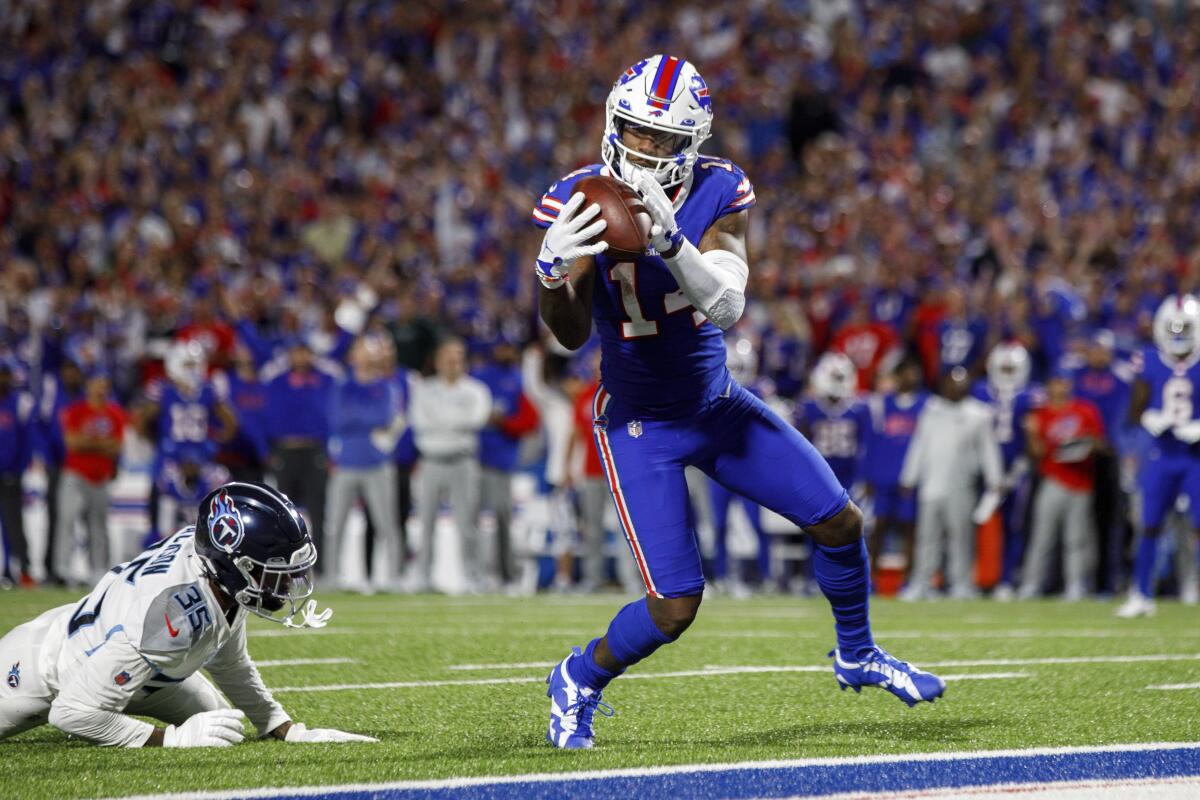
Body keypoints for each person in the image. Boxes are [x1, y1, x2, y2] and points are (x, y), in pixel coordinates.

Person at [532, 55, 944, 751]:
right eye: (633, 131)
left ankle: (857, 653)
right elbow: (570, 334)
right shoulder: (579, 196)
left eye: (662, 140)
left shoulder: (721, 187)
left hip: (717, 406)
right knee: (674, 607)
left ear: (692, 143)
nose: (643, 149)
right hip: (642, 424)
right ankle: (578, 676)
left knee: (842, 521)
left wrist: (670, 241)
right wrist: (549, 277)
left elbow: (725, 305)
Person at [0, 482, 376, 748]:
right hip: (42, 668)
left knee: (219, 725)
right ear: (234, 565)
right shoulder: (172, 615)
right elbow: (70, 713)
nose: (285, 586)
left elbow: (229, 660)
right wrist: (170, 740)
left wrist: (281, 726)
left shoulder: (217, 572)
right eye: (274, 572)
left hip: (141, 666)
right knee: (109, 715)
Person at [1118, 295, 1200, 618]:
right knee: (1149, 525)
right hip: (1161, 454)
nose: (1179, 334)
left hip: (1195, 456)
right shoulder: (1148, 358)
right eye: (1174, 328)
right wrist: (1151, 418)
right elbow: (1135, 408)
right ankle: (1141, 593)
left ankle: (1192, 587)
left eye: (1185, 328)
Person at [899, 367, 1004, 600]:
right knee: (927, 537)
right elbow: (920, 444)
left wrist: (994, 478)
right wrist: (909, 476)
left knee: (961, 537)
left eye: (960, 383)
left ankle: (961, 583)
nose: (955, 387)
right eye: (952, 383)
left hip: (961, 484)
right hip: (931, 483)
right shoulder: (931, 410)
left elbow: (988, 449)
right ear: (944, 384)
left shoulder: (979, 413)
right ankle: (921, 583)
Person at [409, 338, 492, 592]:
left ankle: (473, 576)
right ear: (437, 361)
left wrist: (442, 420)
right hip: (431, 462)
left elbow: (478, 419)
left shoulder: (475, 390)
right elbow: (420, 421)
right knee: (426, 523)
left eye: (457, 358)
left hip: (462, 461)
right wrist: (457, 422)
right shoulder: (423, 389)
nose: (452, 363)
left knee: (468, 523)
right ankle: (422, 576)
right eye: (447, 358)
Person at [324, 335, 405, 591]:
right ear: (353, 356)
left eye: (369, 350)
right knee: (335, 524)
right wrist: (366, 418)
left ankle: (393, 578)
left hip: (377, 464)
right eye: (360, 350)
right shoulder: (342, 386)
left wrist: (357, 417)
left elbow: (384, 416)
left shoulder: (387, 386)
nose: (365, 355)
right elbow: (337, 420)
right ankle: (332, 576)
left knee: (386, 524)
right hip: (346, 464)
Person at [1018, 370, 1106, 600]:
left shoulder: (1084, 410)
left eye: (1063, 382)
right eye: (1055, 382)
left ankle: (1076, 585)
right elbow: (1036, 452)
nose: (1059, 387)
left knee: (1076, 539)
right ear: (1048, 385)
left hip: (1081, 481)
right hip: (1053, 479)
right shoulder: (1040, 414)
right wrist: (1032, 434)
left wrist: (1080, 445)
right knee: (1042, 537)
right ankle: (1031, 584)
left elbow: (1099, 444)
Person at [264, 339, 336, 576]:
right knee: (283, 514)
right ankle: (286, 567)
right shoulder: (277, 382)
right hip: (286, 450)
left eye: (305, 352)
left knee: (318, 512)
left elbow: (331, 416)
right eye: (297, 352)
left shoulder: (325, 381)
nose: (301, 358)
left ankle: (321, 569)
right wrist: (269, 451)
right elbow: (269, 417)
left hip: (314, 450)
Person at [54, 370, 126, 585]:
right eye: (97, 384)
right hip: (76, 474)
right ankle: (62, 569)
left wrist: (89, 443)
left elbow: (117, 446)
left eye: (103, 384)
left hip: (101, 476)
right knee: (67, 521)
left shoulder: (114, 413)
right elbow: (72, 443)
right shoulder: (76, 411)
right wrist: (101, 444)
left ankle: (98, 570)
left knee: (98, 526)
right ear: (89, 387)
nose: (100, 389)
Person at [861, 357, 927, 571]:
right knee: (877, 527)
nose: (912, 377)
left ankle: (910, 579)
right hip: (883, 476)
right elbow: (870, 442)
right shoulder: (881, 404)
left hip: (910, 478)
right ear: (897, 377)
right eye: (907, 373)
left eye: (915, 373)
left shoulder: (926, 404)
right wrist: (868, 476)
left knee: (910, 529)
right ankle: (871, 577)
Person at [0, 360, 35, 587]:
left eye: (4, 374)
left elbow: (27, 440)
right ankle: (7, 570)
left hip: (10, 474)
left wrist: (18, 469)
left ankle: (21, 569)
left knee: (14, 524)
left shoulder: (19, 403)